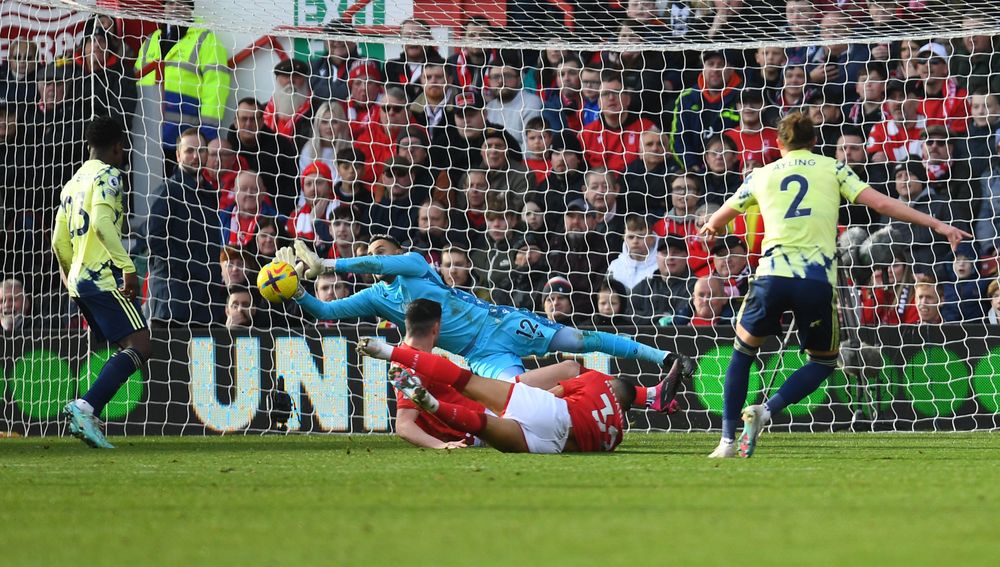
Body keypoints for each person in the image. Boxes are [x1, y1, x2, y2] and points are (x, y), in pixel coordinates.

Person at [700, 112, 971, 458]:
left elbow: (722, 216)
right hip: (815, 280)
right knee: (824, 362)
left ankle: (725, 440)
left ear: (779, 144)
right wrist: (937, 225)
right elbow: (883, 203)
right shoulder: (833, 168)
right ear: (815, 142)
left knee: (742, 353)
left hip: (772, 275)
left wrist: (711, 225)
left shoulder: (761, 175)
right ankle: (766, 411)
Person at [277, 235, 694, 383]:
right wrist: (293, 290)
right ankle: (619, 396)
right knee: (520, 393)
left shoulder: (414, 264)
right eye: (370, 252)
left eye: (382, 249)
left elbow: (376, 264)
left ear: (398, 251)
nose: (376, 256)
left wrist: (330, 264)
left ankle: (665, 357)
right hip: (481, 353)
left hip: (502, 322)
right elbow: (326, 313)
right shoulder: (375, 298)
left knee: (579, 338)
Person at [357, 298, 686, 453]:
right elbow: (403, 424)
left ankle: (650, 398)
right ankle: (649, 397)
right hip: (486, 415)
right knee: (572, 376)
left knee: (569, 381)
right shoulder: (411, 366)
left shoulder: (419, 361)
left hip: (490, 421)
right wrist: (440, 446)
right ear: (438, 327)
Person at [51, 117, 151, 449]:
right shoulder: (110, 175)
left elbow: (58, 242)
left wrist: (71, 277)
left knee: (124, 346)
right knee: (140, 345)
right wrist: (128, 268)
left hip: (79, 279)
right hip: (104, 276)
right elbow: (103, 223)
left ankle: (88, 409)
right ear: (118, 145)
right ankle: (85, 408)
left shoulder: (72, 183)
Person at [134, 0, 230, 176]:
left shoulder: (205, 38)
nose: (176, 7)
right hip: (149, 137)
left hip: (186, 140)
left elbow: (216, 86)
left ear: (190, 9)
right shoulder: (150, 40)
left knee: (180, 194)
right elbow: (137, 83)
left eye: (182, 3)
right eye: (170, 3)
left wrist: (207, 133)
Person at [146, 127, 225, 328]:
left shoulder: (211, 195)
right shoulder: (168, 190)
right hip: (172, 302)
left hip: (206, 304)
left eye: (200, 151)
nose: (195, 156)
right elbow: (154, 239)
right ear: (178, 155)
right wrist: (187, 268)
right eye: (189, 151)